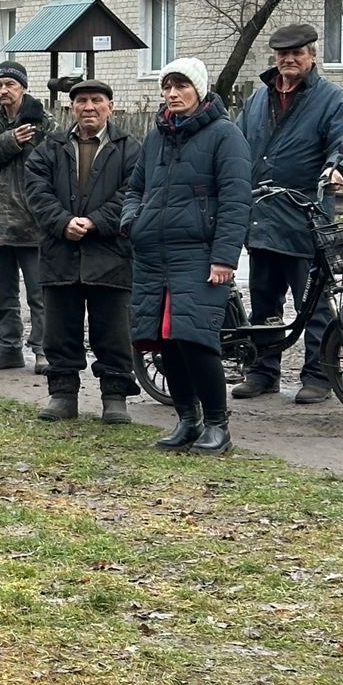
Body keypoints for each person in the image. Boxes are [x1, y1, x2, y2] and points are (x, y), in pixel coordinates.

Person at [124, 58, 251, 455]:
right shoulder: (157, 135)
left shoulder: (224, 135)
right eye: (167, 87)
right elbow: (135, 187)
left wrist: (225, 258)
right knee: (165, 342)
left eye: (181, 86)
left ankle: (218, 424)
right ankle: (187, 420)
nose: (173, 94)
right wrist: (133, 222)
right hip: (154, 255)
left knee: (196, 339)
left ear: (199, 90)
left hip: (199, 255)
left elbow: (235, 201)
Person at [232, 23, 343, 404]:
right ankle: (263, 371)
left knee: (316, 302)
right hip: (260, 216)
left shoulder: (333, 101)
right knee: (264, 300)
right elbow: (236, 146)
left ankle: (318, 375)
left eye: (297, 53)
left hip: (307, 220)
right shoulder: (257, 100)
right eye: (283, 54)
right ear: (275, 58)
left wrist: (340, 169)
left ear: (312, 56)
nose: (289, 60)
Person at [23, 79, 142, 422]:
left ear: (111, 106)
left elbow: (133, 191)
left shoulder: (130, 148)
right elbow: (36, 191)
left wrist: (94, 222)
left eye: (96, 100)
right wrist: (62, 222)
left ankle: (115, 397)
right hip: (61, 253)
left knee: (114, 331)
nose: (89, 107)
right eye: (82, 101)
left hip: (111, 256)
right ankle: (62, 395)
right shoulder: (50, 147)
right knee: (60, 331)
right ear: (71, 108)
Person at [0, 60, 53, 375]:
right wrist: (9, 141)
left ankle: (43, 351)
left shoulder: (43, 122)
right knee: (3, 291)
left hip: (33, 221)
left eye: (10, 84)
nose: (4, 90)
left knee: (40, 292)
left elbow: (54, 164)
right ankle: (9, 348)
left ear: (23, 87)